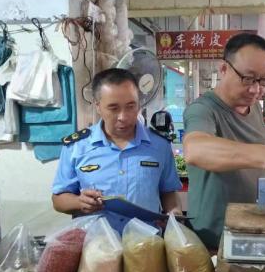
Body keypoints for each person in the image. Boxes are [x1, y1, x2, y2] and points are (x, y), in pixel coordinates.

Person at [183, 33, 265, 249]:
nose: (256, 89)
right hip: (213, 239)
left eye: (264, 80)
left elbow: (250, 164)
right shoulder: (203, 110)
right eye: (247, 78)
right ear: (224, 69)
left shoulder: (253, 106)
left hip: (251, 230)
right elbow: (195, 149)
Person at [52, 68, 182, 232]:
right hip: (96, 245)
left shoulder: (160, 146)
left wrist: (174, 212)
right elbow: (58, 199)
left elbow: (168, 192)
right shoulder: (77, 146)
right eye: (113, 108)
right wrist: (79, 202)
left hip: (146, 246)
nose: (123, 116)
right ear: (98, 106)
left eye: (130, 106)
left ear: (139, 103)